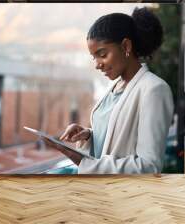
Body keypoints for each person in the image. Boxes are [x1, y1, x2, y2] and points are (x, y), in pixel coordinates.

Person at [45, 7, 174, 174]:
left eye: (102, 54)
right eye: (94, 57)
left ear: (126, 46)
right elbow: (116, 137)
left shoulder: (154, 89)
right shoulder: (115, 86)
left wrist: (81, 161)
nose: (97, 64)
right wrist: (89, 136)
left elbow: (149, 165)